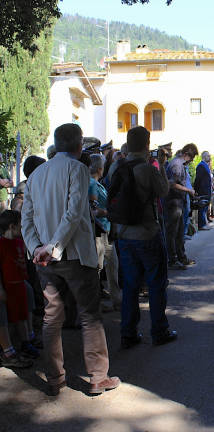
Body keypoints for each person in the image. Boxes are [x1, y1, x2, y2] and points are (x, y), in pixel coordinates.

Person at [22, 123, 120, 396]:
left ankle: (55, 378)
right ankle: (98, 377)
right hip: (74, 255)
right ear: (78, 147)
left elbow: (26, 219)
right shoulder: (77, 168)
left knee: (52, 318)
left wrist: (37, 248)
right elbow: (74, 212)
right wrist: (53, 246)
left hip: (45, 259)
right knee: (90, 316)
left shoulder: (36, 174)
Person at [108, 126, 177, 349]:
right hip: (147, 233)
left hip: (124, 236)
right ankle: (159, 331)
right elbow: (163, 191)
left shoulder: (116, 166)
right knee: (156, 284)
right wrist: (162, 164)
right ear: (147, 144)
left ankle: (128, 333)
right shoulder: (146, 169)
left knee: (130, 286)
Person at [0, 210, 40, 363]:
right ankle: (9, 351)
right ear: (12, 226)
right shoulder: (2, 244)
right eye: (20, 225)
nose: (22, 228)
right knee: (12, 318)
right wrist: (1, 289)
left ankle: (26, 343)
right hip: (9, 286)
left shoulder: (19, 242)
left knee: (22, 316)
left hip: (20, 285)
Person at [89, 154, 122, 312]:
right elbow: (92, 209)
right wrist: (108, 212)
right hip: (99, 230)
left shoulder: (97, 183)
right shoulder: (92, 184)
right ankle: (96, 301)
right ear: (99, 168)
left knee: (112, 265)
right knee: (99, 267)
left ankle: (117, 299)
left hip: (106, 230)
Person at [164, 143, 198, 268]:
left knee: (178, 232)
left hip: (177, 202)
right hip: (173, 202)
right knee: (172, 232)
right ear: (186, 154)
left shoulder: (178, 163)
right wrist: (188, 191)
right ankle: (172, 261)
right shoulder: (177, 165)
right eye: (192, 157)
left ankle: (181, 257)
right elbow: (172, 184)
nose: (192, 161)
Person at [195, 151, 213, 229]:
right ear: (203, 157)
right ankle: (201, 225)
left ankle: (204, 223)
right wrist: (196, 190)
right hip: (203, 190)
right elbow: (198, 179)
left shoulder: (205, 165)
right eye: (207, 156)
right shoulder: (201, 166)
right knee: (202, 207)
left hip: (206, 189)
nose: (209, 157)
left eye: (209, 156)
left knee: (205, 208)